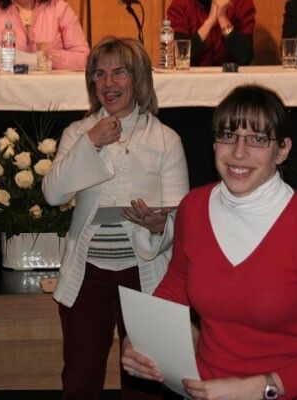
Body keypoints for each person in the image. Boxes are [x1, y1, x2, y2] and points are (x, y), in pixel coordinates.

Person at [121, 85, 297, 400]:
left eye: (258, 139)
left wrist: (259, 388)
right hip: (206, 391)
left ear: (283, 150)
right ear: (214, 143)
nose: (238, 152)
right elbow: (177, 286)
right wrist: (141, 338)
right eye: (228, 135)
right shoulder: (194, 208)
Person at [42, 36, 190, 399]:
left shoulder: (166, 139)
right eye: (100, 74)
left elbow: (182, 219)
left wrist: (160, 225)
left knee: (148, 383)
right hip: (88, 272)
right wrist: (90, 142)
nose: (108, 83)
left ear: (138, 79)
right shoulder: (78, 133)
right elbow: (53, 194)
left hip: (148, 271)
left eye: (119, 72)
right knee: (80, 380)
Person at [0, 0, 89, 71]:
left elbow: (84, 58)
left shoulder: (60, 8)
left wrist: (52, 57)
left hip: (53, 94)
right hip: (9, 94)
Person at [167, 0, 255, 66]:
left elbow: (246, 58)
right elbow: (179, 58)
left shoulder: (241, 2)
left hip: (231, 79)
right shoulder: (181, 4)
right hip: (190, 79)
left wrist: (223, 19)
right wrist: (210, 22)